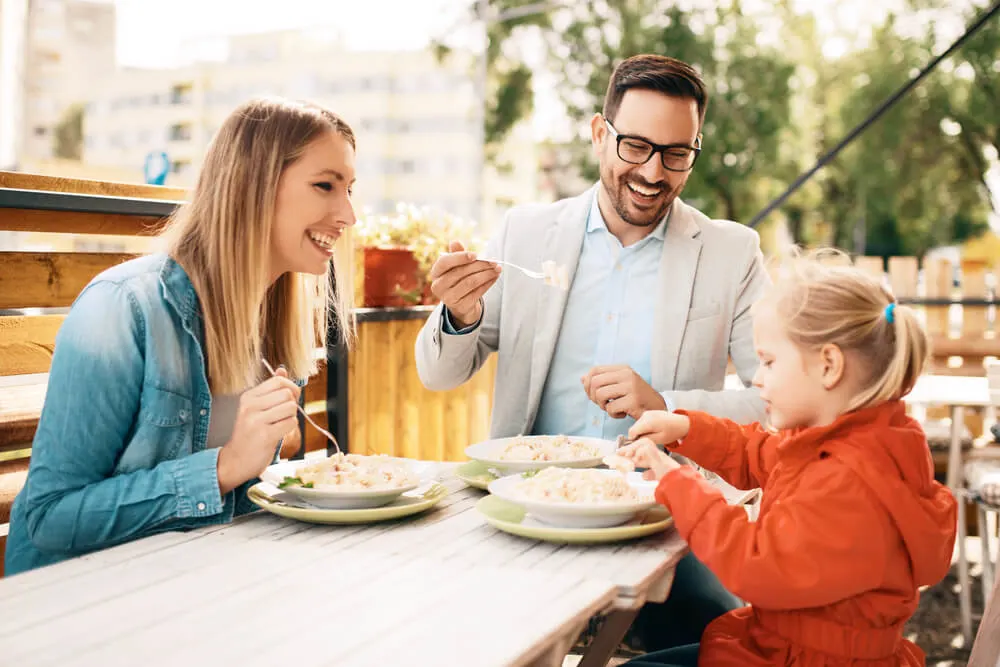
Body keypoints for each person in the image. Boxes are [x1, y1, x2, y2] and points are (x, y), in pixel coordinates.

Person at [415, 53, 768, 650]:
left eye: (676, 154)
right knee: (451, 630)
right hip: (526, 509)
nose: (654, 172)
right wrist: (459, 313)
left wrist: (670, 406)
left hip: (666, 517)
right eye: (635, 146)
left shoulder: (732, 253)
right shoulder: (524, 233)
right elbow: (440, 374)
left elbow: (775, 405)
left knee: (724, 640)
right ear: (600, 133)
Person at [5, 97, 357, 576]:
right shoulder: (123, 306)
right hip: (81, 606)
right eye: (325, 186)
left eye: (350, 190)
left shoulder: (269, 323)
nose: (348, 215)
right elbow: (51, 517)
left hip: (195, 585)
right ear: (252, 186)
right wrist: (225, 467)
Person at [616, 251, 958, 666]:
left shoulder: (848, 481)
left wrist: (675, 481)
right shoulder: (856, 441)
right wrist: (686, 429)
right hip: (783, 647)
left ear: (828, 365)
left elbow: (754, 563)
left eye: (769, 361)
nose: (756, 377)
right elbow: (758, 452)